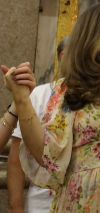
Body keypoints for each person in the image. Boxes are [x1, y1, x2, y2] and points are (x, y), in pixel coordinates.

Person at [2, 1, 100, 212]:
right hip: (82, 200)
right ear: (96, 37)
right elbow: (47, 153)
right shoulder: (70, 90)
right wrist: (21, 100)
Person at [7, 39, 68, 213]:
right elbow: (17, 158)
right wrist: (16, 206)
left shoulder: (98, 96)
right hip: (42, 203)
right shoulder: (39, 95)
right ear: (64, 57)